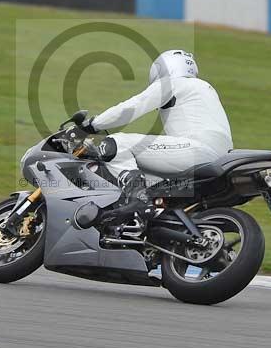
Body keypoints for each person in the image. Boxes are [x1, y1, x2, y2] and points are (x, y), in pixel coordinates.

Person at [76, 49, 233, 226]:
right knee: (151, 178)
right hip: (222, 158)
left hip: (196, 151)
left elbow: (131, 108)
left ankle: (138, 199)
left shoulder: (173, 83)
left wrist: (91, 124)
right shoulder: (204, 89)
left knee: (116, 143)